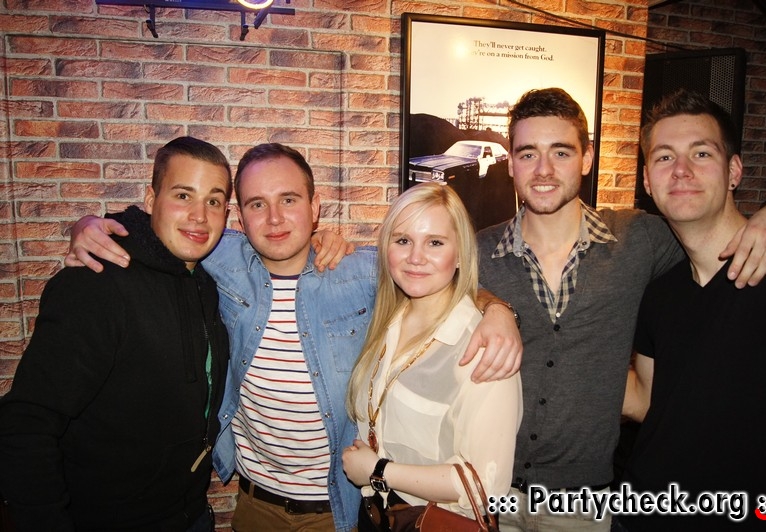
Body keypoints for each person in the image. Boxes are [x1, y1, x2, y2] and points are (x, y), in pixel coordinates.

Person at [65, 143, 522, 532]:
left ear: (315, 207)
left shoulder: (362, 273)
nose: (275, 218)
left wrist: (497, 309)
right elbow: (162, 228)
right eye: (256, 204)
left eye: (289, 199)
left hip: (338, 510)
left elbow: (435, 274)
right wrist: (92, 226)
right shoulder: (219, 256)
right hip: (254, 505)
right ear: (238, 216)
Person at [475, 87, 766, 531]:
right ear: (510, 163)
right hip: (491, 493)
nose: (544, 169)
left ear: (587, 159)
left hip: (589, 504)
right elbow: (420, 283)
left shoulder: (639, 242)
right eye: (528, 154)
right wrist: (492, 304)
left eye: (561, 152)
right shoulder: (479, 252)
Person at [0, 136, 232, 531]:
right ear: (150, 199)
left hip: (190, 516)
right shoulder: (96, 283)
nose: (199, 216)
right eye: (183, 195)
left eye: (213, 201)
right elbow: (26, 424)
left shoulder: (209, 281)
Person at [618, 89, 766, 531]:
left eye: (701, 153)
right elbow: (647, 401)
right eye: (664, 157)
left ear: (734, 171)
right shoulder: (660, 293)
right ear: (647, 181)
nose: (681, 170)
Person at [342, 183, 522, 530]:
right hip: (376, 516)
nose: (416, 257)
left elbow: (486, 486)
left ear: (460, 254)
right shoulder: (385, 321)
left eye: (435, 242)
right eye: (403, 240)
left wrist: (378, 471)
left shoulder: (481, 347)